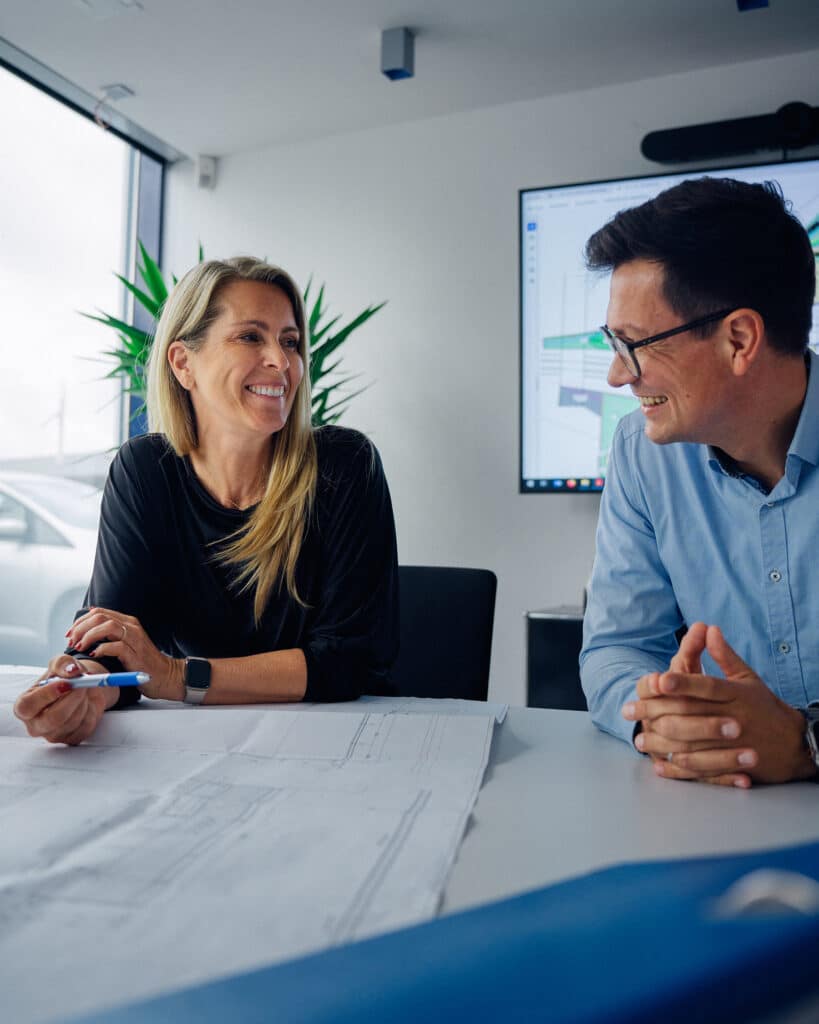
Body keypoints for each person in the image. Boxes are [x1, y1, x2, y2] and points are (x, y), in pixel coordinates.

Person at [14, 257, 398, 744]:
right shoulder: (145, 470)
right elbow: (115, 640)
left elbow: (347, 661)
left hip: (345, 746)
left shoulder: (345, 467)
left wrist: (177, 677)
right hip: (200, 749)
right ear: (182, 363)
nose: (282, 362)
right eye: (250, 337)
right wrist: (85, 687)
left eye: (289, 342)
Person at [579, 177, 819, 788]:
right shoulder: (641, 453)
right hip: (720, 810)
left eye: (633, 344)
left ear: (739, 339)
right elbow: (616, 647)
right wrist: (663, 718)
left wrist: (804, 742)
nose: (615, 375)